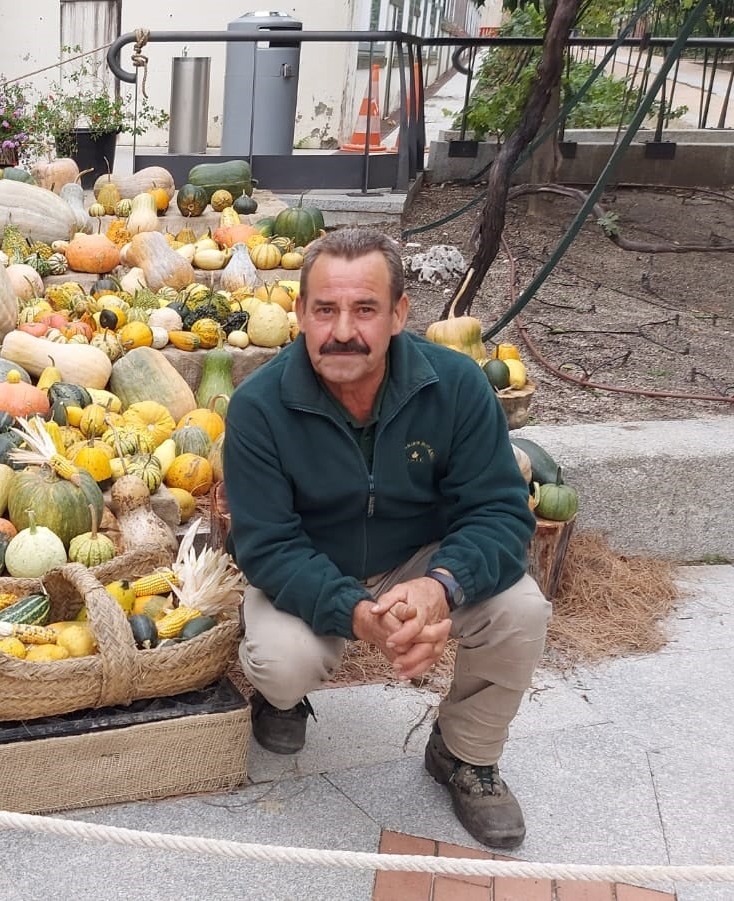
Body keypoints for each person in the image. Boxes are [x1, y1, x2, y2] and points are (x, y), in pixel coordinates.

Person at [222, 228, 550, 850]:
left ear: (400, 314)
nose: (342, 330)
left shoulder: (455, 387)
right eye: (325, 309)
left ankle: (464, 753)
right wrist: (355, 612)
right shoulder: (259, 407)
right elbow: (266, 545)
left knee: (521, 609)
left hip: (421, 562)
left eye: (365, 309)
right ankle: (281, 702)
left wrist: (441, 586)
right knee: (280, 662)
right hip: (315, 568)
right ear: (299, 314)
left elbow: (502, 515)